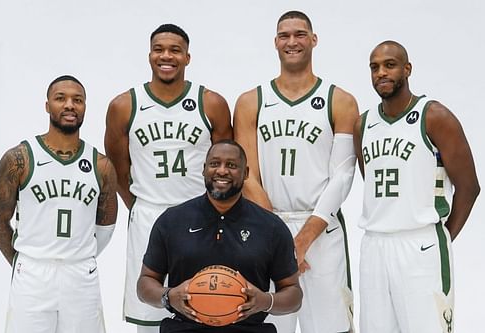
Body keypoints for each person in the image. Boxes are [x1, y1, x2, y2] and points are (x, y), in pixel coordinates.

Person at [233, 10, 358, 333]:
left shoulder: (340, 100)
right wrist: (281, 239)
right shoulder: (251, 101)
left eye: (300, 34)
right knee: (270, 325)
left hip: (322, 229)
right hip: (267, 227)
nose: (292, 42)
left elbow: (343, 176)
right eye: (285, 35)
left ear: (313, 40)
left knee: (330, 327)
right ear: (275, 42)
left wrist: (301, 241)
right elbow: (248, 176)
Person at [104, 23, 233, 332]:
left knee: (208, 308)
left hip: (201, 217)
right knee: (150, 317)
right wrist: (138, 203)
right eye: (159, 49)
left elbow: (226, 169)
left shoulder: (211, 104)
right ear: (149, 55)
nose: (166, 56)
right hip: (149, 216)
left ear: (187, 57)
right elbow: (118, 170)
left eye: (175, 50)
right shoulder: (124, 106)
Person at [353, 40, 480, 332]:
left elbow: (469, 187)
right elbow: (369, 178)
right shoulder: (363, 124)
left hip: (420, 243)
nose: (381, 73)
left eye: (390, 65)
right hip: (374, 244)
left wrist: (443, 238)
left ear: (407, 69)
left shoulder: (434, 116)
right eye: (374, 67)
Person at [0, 75, 118, 333]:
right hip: (33, 273)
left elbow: (105, 226)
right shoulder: (19, 158)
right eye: (61, 99)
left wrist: (77, 253)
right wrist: (22, 260)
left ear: (85, 107)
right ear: (47, 105)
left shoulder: (101, 165)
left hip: (81, 275)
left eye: (77, 100)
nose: (70, 105)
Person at [136, 140, 302, 333]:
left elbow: (294, 294)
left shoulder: (271, 226)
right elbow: (145, 282)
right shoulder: (171, 220)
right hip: (184, 329)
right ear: (204, 169)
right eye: (215, 164)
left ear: (246, 173)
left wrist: (265, 301)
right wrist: (168, 296)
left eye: (231, 165)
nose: (222, 171)